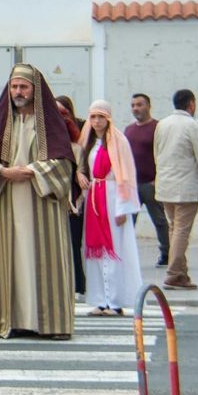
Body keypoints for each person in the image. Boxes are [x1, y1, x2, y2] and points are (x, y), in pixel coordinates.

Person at [0, 65, 76, 340]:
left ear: (35, 90)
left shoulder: (50, 125)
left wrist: (31, 172)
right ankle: (13, 319)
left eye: (23, 87)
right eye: (14, 87)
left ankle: (52, 323)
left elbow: (65, 165)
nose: (17, 92)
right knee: (13, 260)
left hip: (42, 205)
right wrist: (4, 172)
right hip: (9, 202)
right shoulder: (2, 123)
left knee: (45, 260)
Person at [153, 89, 198, 290]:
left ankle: (181, 273)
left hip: (165, 185)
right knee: (181, 232)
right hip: (186, 187)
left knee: (175, 230)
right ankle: (174, 273)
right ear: (191, 104)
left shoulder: (162, 124)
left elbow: (156, 154)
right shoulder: (193, 126)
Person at [75, 101, 141, 317]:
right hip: (95, 196)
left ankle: (115, 301)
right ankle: (100, 300)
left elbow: (126, 175)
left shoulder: (118, 141)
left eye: (100, 117)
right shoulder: (88, 142)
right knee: (95, 249)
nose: (96, 121)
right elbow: (81, 166)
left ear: (108, 119)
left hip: (112, 197)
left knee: (114, 250)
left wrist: (123, 207)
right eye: (93, 117)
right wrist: (81, 176)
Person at [124, 94, 172, 267]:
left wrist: (157, 179)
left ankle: (166, 253)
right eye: (133, 105)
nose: (135, 108)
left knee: (159, 220)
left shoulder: (157, 127)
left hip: (151, 184)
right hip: (132, 185)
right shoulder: (129, 130)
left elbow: (165, 154)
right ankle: (127, 255)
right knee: (129, 222)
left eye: (139, 105)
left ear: (148, 106)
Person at [54, 96, 87, 302]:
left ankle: (78, 285)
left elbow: (82, 173)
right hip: (54, 199)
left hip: (73, 202)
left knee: (73, 244)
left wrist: (78, 202)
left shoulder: (76, 148)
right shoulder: (49, 147)